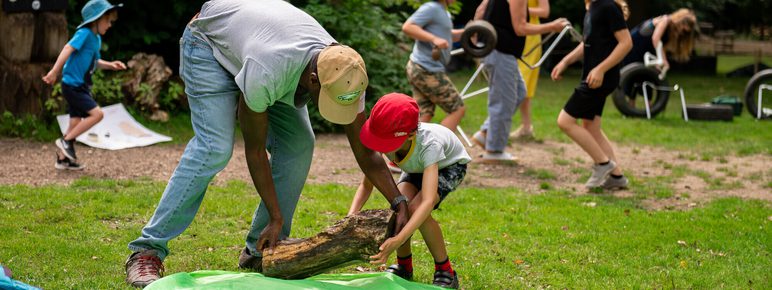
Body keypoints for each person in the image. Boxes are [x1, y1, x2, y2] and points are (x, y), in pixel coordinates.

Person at [123, 0, 408, 287]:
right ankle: (147, 250)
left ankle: (260, 251)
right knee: (214, 148)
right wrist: (276, 215)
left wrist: (398, 201)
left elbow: (364, 150)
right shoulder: (268, 70)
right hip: (208, 43)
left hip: (260, 49)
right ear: (312, 80)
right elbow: (255, 150)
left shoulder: (346, 72)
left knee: (300, 144)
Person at [349, 93, 471, 289]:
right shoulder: (385, 135)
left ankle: (445, 270)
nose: (381, 147)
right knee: (399, 208)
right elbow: (367, 183)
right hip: (416, 166)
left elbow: (428, 201)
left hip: (447, 166)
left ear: (411, 135)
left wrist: (398, 239)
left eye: (385, 143)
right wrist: (351, 216)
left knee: (415, 211)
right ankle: (404, 266)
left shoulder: (430, 144)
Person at [471, 0, 568, 163]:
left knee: (519, 92)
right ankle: (494, 151)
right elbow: (520, 27)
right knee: (503, 101)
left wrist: (475, 36)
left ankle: (486, 133)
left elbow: (481, 9)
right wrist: (552, 27)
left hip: (497, 50)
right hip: (500, 51)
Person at [550, 0, 632, 189]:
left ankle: (602, 164)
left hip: (600, 78)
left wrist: (601, 69)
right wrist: (565, 61)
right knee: (591, 127)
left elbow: (626, 43)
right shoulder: (591, 7)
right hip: (594, 77)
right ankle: (617, 177)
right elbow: (588, 41)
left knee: (565, 121)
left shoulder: (607, 6)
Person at [42, 0, 126, 170]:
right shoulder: (85, 33)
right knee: (97, 114)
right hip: (72, 85)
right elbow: (67, 49)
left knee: (75, 123)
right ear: (97, 19)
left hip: (80, 85)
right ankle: (65, 142)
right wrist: (54, 71)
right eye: (108, 21)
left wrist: (111, 65)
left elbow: (94, 61)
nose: (110, 25)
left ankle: (63, 159)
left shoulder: (96, 40)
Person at [402, 0, 466, 131]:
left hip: (419, 67)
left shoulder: (444, 12)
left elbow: (448, 36)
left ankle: (405, 149)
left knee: (424, 114)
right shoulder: (431, 8)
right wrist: (433, 39)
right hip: (426, 69)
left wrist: (468, 32)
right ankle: (439, 147)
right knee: (458, 109)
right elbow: (408, 27)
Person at [511, 0, 550, 140]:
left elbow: (544, 11)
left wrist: (519, 9)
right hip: (513, 35)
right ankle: (526, 127)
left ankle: (495, 126)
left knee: (523, 83)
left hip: (531, 38)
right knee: (518, 83)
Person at [622, 8, 698, 69]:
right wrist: (663, 60)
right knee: (630, 73)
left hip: (645, 51)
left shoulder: (672, 32)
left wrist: (660, 63)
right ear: (680, 20)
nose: (682, 31)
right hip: (634, 46)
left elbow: (661, 48)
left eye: (685, 32)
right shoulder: (665, 20)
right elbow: (656, 39)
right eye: (683, 29)